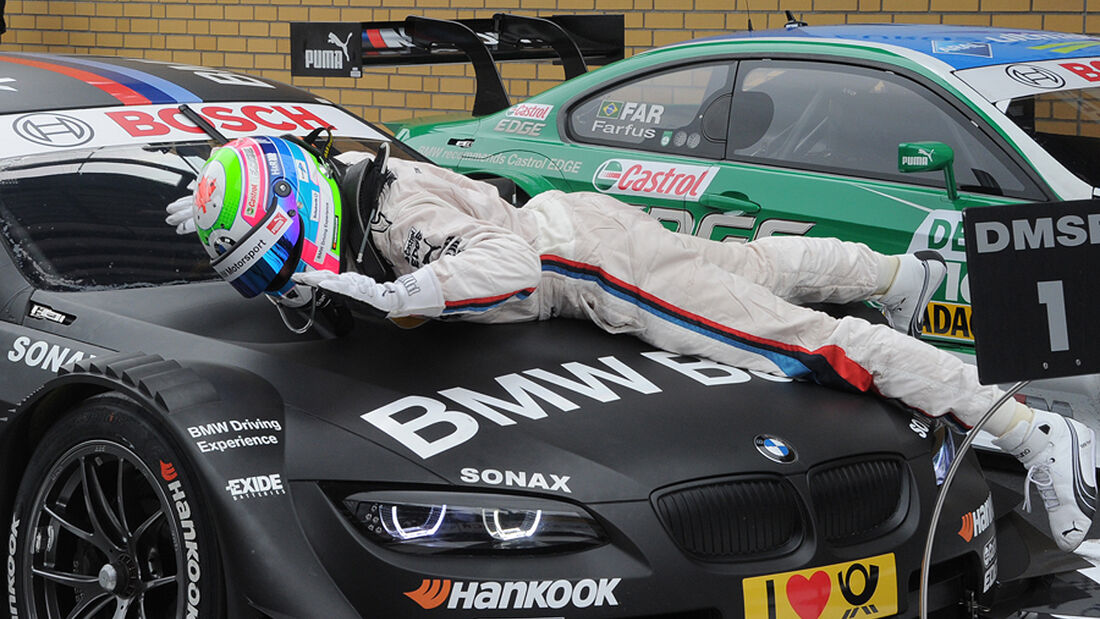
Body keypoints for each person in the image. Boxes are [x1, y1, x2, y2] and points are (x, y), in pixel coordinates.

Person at [168, 134, 1095, 552]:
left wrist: (392, 290)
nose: (284, 284)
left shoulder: (398, 222)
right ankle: (900, 278)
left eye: (277, 261)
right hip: (588, 229)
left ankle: (1027, 429)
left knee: (801, 343)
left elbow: (506, 266)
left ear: (303, 207)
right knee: (752, 268)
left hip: (587, 267)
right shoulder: (362, 173)